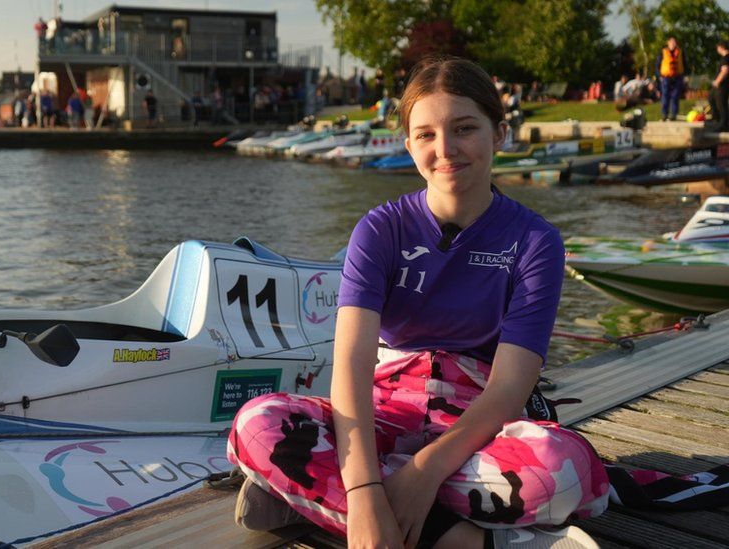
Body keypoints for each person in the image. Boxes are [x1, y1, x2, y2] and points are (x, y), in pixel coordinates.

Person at [229, 55, 610, 549]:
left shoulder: (536, 241)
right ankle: (454, 537)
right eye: (426, 134)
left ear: (499, 133)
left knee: (565, 469)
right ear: (408, 146)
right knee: (256, 423)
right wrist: (365, 491)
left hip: (476, 426)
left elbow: (508, 389)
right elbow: (350, 363)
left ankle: (312, 501)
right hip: (384, 413)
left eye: (464, 128)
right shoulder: (380, 230)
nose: (445, 149)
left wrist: (424, 474)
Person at [657, 36, 687, 121]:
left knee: (675, 95)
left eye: (675, 42)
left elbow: (684, 64)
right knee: (665, 95)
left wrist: (685, 76)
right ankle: (664, 114)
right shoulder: (663, 52)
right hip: (666, 77)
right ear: (668, 43)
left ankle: (674, 114)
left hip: (678, 76)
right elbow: (658, 65)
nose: (674, 44)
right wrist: (659, 76)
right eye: (672, 42)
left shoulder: (680, 52)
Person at [711, 41, 729, 132]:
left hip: (722, 85)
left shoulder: (726, 58)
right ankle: (717, 120)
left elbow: (725, 70)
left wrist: (717, 81)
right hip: (722, 85)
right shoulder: (725, 58)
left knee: (721, 104)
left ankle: (724, 124)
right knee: (712, 99)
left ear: (721, 47)